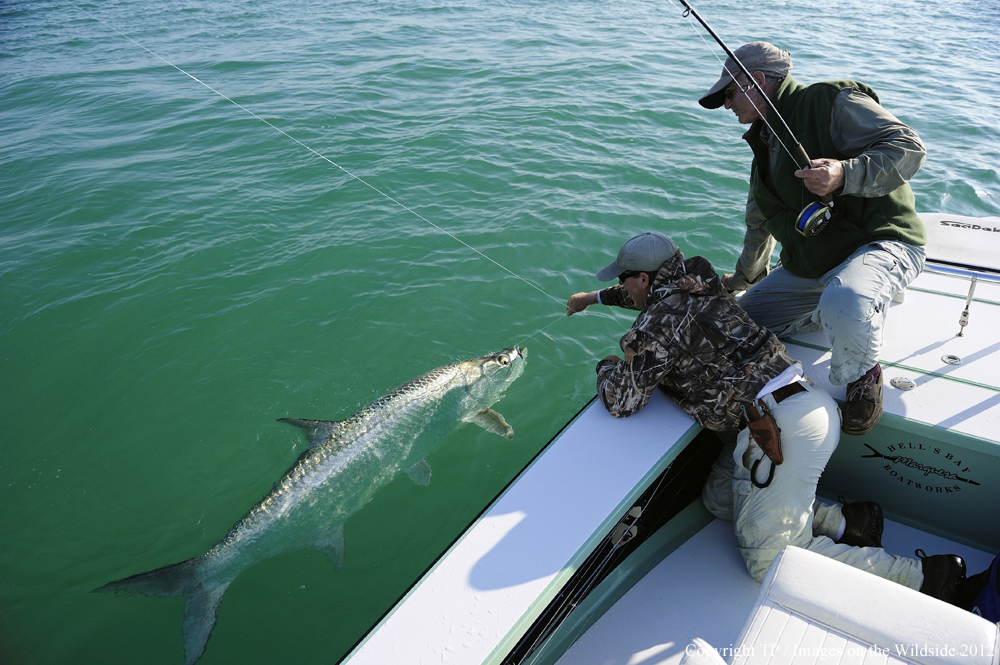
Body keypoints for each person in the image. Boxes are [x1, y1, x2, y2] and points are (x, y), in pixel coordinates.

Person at [567, 231, 982, 606]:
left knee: (769, 562)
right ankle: (848, 522)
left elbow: (622, 401)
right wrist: (595, 298)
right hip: (804, 406)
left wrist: (608, 366)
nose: (621, 285)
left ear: (642, 278)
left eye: (623, 278)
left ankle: (928, 577)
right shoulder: (701, 278)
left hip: (780, 432)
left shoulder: (652, 330)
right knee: (718, 499)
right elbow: (655, 298)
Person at [698, 42, 927, 436]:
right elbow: (759, 228)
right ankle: (840, 305)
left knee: (847, 299)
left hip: (882, 244)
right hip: (812, 267)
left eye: (730, 93)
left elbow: (909, 148)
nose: (727, 105)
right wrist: (739, 281)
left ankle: (863, 375)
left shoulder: (831, 100)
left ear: (757, 81)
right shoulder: (763, 149)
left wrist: (844, 174)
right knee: (731, 330)